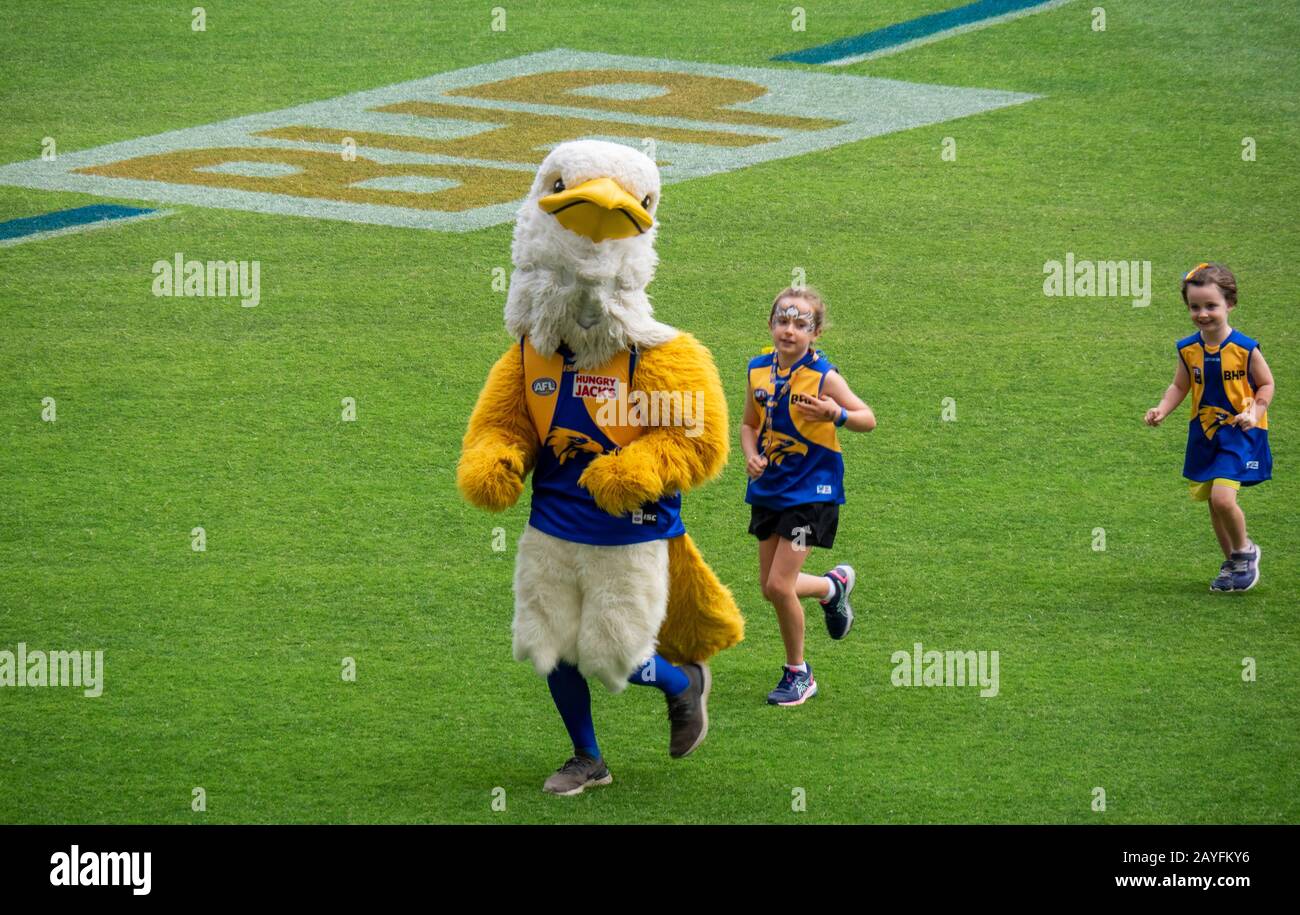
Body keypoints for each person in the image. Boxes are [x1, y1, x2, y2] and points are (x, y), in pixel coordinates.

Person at [740, 286, 875, 705]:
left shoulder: (824, 376)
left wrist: (835, 413)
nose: (789, 330)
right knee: (770, 587)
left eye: (801, 324)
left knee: (780, 586)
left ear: (815, 333)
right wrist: (750, 456)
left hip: (811, 497)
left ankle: (799, 673)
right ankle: (831, 588)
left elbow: (866, 419)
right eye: (783, 320)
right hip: (770, 489)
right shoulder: (758, 371)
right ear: (770, 325)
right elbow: (748, 424)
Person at [1144, 262, 1274, 592]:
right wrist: (1162, 409)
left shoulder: (1245, 349)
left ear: (1230, 304)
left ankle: (1245, 551)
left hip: (1241, 435)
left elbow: (1266, 385)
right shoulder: (1188, 349)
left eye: (1211, 306)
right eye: (1195, 307)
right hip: (1205, 435)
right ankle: (1232, 561)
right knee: (1212, 504)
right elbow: (1179, 386)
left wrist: (1256, 412)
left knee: (1223, 499)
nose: (1203, 314)